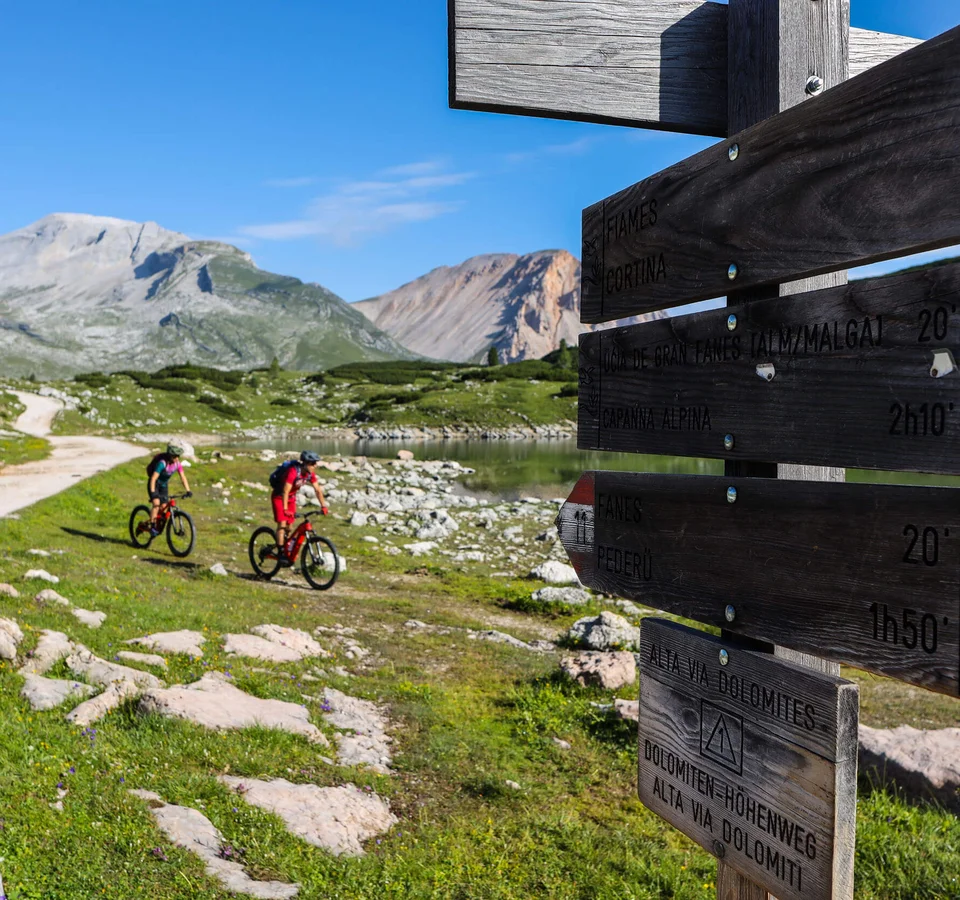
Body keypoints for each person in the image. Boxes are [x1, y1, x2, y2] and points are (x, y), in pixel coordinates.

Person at [272, 450, 328, 558]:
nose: (315, 466)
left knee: (290, 526)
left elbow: (317, 490)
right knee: (282, 525)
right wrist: (285, 509)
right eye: (312, 463)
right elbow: (285, 491)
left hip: (291, 498)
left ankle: (286, 547)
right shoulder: (293, 471)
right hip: (279, 497)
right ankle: (280, 553)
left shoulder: (309, 474)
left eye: (315, 463)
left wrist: (323, 506)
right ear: (305, 463)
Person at [148, 444, 192, 534]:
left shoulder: (177, 464)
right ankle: (152, 526)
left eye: (178, 456)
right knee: (156, 504)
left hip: (163, 485)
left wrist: (188, 490)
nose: (177, 458)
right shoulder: (162, 463)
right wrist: (153, 493)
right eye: (175, 456)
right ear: (170, 456)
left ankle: (158, 525)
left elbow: (183, 477)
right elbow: (153, 478)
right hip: (155, 484)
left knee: (164, 507)